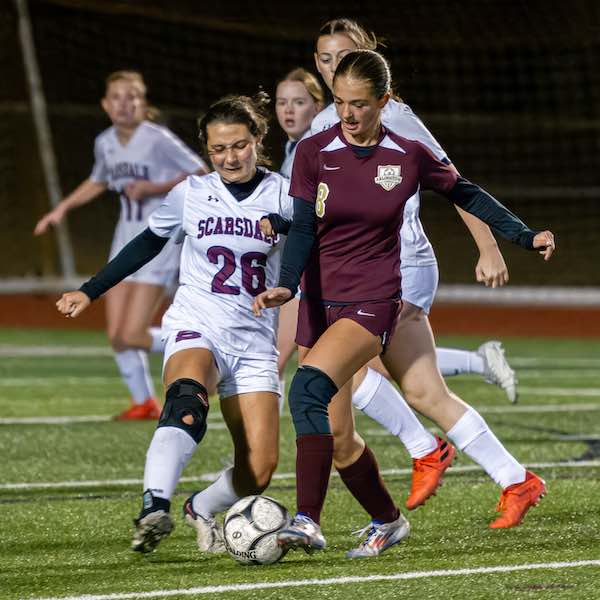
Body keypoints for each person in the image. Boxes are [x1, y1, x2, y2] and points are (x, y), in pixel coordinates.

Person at [254, 49, 554, 557]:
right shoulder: (312, 151)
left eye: (361, 105)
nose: (348, 115)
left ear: (384, 102)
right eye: (341, 103)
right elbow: (306, 223)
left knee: (306, 390)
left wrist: (522, 237)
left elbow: (468, 193)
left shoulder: (406, 154)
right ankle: (387, 520)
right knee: (340, 434)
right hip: (319, 302)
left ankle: (306, 519)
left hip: (374, 299)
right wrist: (287, 282)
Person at [55, 93, 293, 553]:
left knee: (258, 469)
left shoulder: (285, 195)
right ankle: (153, 507)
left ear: (258, 140)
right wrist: (90, 290)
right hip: (196, 323)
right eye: (218, 148)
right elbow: (146, 243)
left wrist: (284, 229)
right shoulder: (191, 193)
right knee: (186, 399)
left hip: (255, 341)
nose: (228, 157)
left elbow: (311, 253)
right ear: (207, 149)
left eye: (239, 146)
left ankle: (198, 506)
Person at [35, 70, 207, 420]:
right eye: (117, 97)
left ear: (144, 104)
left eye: (133, 97)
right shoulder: (105, 142)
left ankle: (201, 344)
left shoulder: (157, 138)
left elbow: (201, 171)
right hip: (122, 239)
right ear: (105, 104)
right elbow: (98, 180)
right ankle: (143, 402)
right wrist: (61, 209)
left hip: (159, 242)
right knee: (116, 335)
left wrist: (154, 188)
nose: (124, 104)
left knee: (132, 332)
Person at [274, 68, 325, 402]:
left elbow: (312, 217)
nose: (288, 110)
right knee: (275, 361)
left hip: (317, 270)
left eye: (298, 102)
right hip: (303, 267)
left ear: (317, 107)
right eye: (281, 102)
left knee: (369, 367)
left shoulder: (315, 149)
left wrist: (275, 223)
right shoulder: (294, 148)